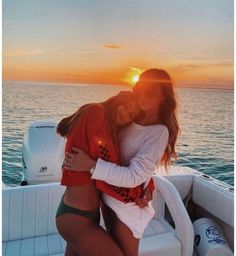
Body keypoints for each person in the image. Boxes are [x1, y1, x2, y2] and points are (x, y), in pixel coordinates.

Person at [64, 69, 180, 256]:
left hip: (127, 211)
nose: (142, 93)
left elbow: (135, 174)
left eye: (150, 91)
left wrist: (91, 166)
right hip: (108, 202)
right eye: (139, 87)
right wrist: (148, 183)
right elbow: (120, 158)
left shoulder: (159, 132)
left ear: (163, 98)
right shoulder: (128, 118)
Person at [56, 91, 153, 256]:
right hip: (76, 219)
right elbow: (112, 164)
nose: (127, 115)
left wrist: (148, 184)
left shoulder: (107, 127)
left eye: (132, 115)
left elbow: (115, 165)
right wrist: (137, 190)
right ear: (117, 99)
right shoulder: (96, 111)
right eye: (127, 107)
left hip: (84, 215)